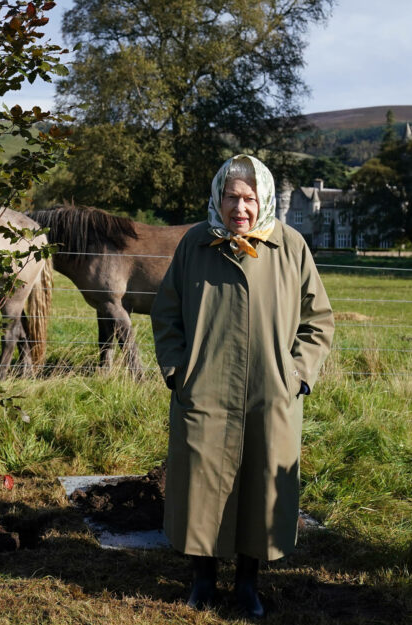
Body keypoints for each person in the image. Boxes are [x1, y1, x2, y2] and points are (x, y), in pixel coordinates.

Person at [150, 154, 334, 619]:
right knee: (200, 485)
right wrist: (177, 372)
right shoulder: (196, 243)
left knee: (259, 489)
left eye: (249, 198)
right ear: (218, 197)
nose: (240, 208)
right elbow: (167, 314)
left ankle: (248, 586)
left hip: (269, 395)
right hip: (204, 391)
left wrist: (297, 375)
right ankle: (202, 581)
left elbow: (318, 322)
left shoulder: (290, 247)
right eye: (232, 196)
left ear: (264, 199)